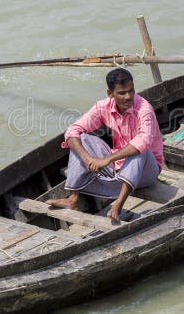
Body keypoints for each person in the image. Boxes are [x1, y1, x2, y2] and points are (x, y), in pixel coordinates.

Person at [47, 68, 163, 222]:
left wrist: (106, 160)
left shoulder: (144, 109)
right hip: (118, 166)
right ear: (110, 94)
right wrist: (88, 159)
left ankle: (118, 205)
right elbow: (72, 131)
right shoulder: (103, 107)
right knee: (82, 138)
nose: (128, 97)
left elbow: (143, 141)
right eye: (122, 93)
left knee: (140, 149)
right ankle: (73, 199)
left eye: (131, 91)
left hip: (147, 171)